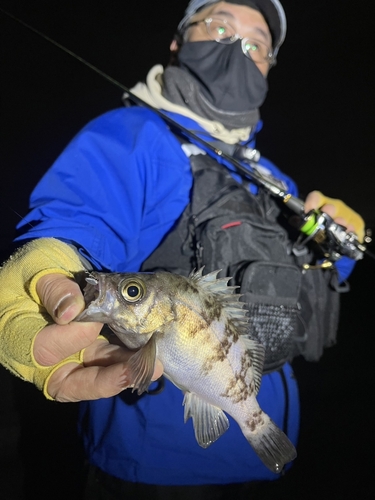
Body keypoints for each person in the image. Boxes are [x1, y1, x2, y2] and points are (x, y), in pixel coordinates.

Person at [0, 0, 365, 498]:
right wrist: (39, 273)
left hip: (265, 451)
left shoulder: (272, 179)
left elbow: (302, 277)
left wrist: (341, 244)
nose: (238, 46)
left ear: (268, 69)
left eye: (257, 44)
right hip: (152, 464)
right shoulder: (135, 137)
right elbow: (76, 219)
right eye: (219, 25)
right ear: (178, 41)